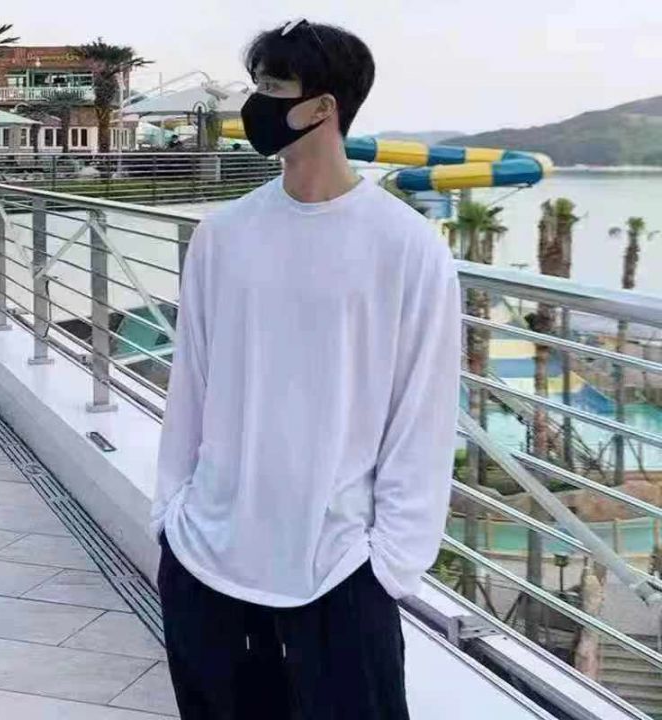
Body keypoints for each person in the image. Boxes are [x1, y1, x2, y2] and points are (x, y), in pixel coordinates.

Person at [150, 17, 461, 720]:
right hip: (205, 559)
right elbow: (191, 385)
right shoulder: (222, 235)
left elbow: (423, 412)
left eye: (272, 88)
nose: (254, 104)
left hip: (341, 570)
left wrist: (390, 566)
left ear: (324, 107)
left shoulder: (407, 247)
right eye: (256, 85)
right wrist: (170, 515)